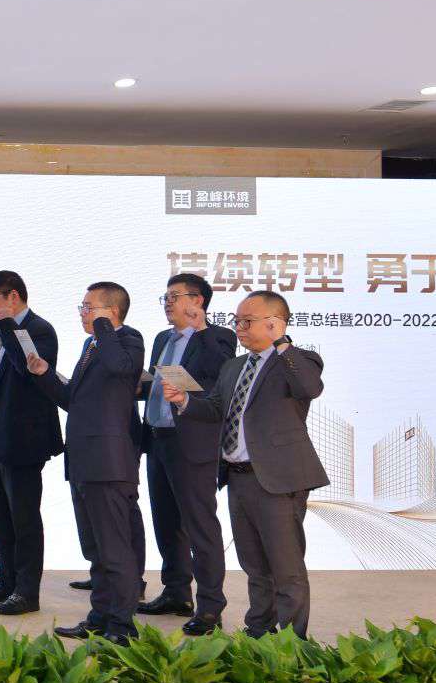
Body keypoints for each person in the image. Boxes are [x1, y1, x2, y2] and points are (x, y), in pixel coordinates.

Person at [163, 290, 328, 638]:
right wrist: (184, 401)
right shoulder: (234, 366)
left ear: (274, 323)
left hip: (277, 480)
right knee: (254, 565)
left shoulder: (298, 360)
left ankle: (293, 643)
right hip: (237, 478)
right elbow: (215, 409)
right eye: (237, 321)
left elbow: (309, 387)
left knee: (286, 567)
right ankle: (259, 632)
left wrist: (282, 343)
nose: (239, 328)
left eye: (247, 321)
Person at [24, 282, 145, 643]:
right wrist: (44, 373)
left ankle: (122, 625)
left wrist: (103, 325)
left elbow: (121, 367)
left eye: (89, 307)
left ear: (113, 312)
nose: (83, 313)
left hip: (110, 463)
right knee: (95, 548)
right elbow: (72, 400)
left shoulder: (128, 339)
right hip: (83, 460)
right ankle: (100, 616)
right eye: (83, 307)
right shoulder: (91, 345)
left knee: (115, 549)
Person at [136, 273, 238, 634]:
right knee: (166, 521)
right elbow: (158, 383)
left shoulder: (219, 337)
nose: (167, 303)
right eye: (165, 297)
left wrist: (201, 328)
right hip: (158, 438)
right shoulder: (162, 338)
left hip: (192, 443)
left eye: (174, 296)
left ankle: (210, 606)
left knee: (200, 526)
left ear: (197, 301)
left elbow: (219, 371)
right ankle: (176, 592)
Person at [0, 271, 61, 616]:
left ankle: (27, 591)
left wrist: (7, 326)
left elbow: (27, 370)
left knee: (24, 518)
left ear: (13, 296)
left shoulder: (39, 330)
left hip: (25, 439)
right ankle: (7, 579)